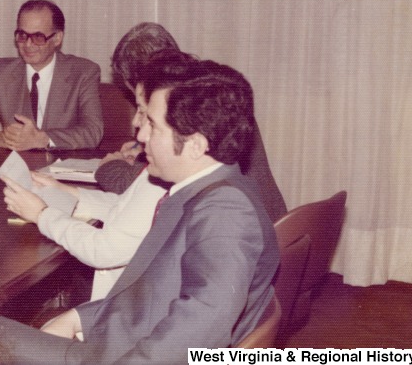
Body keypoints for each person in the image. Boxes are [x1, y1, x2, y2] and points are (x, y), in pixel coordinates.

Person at [0, 61, 280, 363]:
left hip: (123, 357)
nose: (141, 136)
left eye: (153, 125)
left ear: (194, 145)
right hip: (123, 340)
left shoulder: (226, 210)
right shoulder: (206, 188)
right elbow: (152, 291)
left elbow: (204, 321)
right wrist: (81, 318)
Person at [96, 22, 288, 221]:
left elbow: (133, 183)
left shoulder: (188, 108)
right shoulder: (215, 92)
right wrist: (142, 149)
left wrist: (110, 165)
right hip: (267, 220)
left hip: (239, 228)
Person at [2, 79, 166, 301]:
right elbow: (125, 206)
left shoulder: (164, 175)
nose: (136, 124)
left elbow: (101, 250)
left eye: (143, 112)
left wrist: (42, 215)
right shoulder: (167, 174)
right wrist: (66, 191)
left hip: (118, 310)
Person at [0, 0, 103, 151]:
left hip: (62, 167)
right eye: (22, 35)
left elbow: (93, 132)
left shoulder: (84, 72)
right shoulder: (4, 72)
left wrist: (43, 139)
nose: (27, 44)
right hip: (15, 169)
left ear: (57, 38)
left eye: (38, 37)